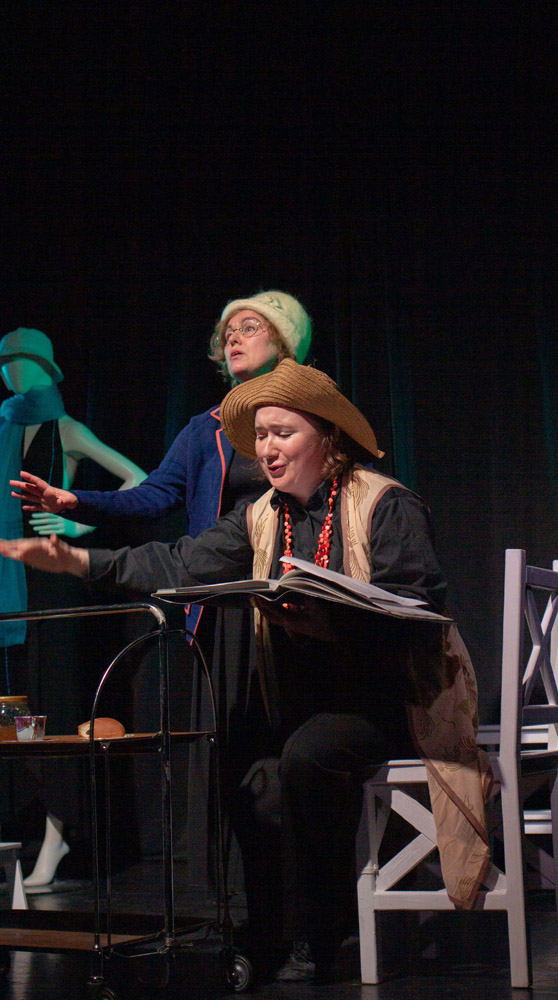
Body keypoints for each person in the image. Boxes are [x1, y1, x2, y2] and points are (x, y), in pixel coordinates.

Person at [0, 359, 491, 983]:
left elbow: (419, 610)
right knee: (250, 775)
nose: (267, 449)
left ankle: (323, 934)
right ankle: (267, 936)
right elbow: (179, 561)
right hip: (305, 706)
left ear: (327, 438)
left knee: (309, 756)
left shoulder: (385, 503)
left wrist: (332, 619)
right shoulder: (261, 515)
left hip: (395, 703)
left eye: (283, 433)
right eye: (260, 436)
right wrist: (78, 561)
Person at [8, 293, 313, 898]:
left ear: (284, 341)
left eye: (249, 326)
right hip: (221, 610)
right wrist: (77, 502)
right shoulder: (206, 428)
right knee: (229, 763)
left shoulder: (306, 420)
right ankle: (237, 910)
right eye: (226, 330)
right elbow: (154, 495)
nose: (233, 337)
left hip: (290, 604)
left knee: (288, 755)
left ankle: (303, 910)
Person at [0, 327, 147, 887]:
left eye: (22, 361)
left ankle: (58, 830)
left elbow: (137, 479)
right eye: (5, 362)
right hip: (8, 582)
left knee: (55, 704)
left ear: (45, 366)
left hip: (52, 581)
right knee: (17, 709)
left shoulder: (66, 429)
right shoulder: (3, 428)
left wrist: (79, 523)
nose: (12, 371)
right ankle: (33, 824)